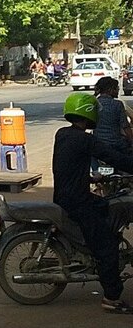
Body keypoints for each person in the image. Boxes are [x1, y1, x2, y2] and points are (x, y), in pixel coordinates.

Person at [53, 93, 133, 313]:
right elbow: (113, 157)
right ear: (88, 112)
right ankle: (111, 298)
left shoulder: (63, 134)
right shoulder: (85, 139)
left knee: (107, 206)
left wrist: (90, 178)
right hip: (77, 201)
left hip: (67, 195)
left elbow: (67, 167)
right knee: (107, 247)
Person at [93, 77, 133, 161]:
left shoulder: (93, 103)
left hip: (98, 142)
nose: (118, 90)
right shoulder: (117, 104)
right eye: (117, 88)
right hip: (116, 143)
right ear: (110, 89)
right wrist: (131, 141)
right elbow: (125, 126)